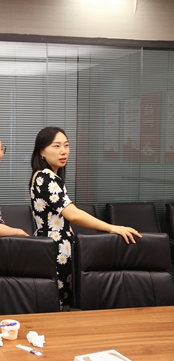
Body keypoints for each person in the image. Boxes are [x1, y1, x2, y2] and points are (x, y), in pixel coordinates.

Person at [29, 126, 141, 309]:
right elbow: (72, 214)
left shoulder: (44, 176)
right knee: (57, 304)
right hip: (55, 249)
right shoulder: (46, 177)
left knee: (59, 304)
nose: (63, 151)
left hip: (52, 246)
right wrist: (112, 227)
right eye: (56, 146)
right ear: (42, 151)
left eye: (66, 145)